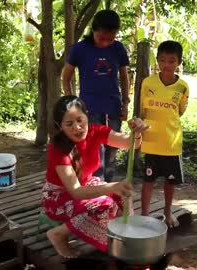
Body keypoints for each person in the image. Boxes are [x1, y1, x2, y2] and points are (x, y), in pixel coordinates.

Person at [42, 95, 148, 258]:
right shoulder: (57, 149)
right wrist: (113, 186)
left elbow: (129, 143)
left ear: (87, 116)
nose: (77, 128)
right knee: (105, 205)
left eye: (80, 120)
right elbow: (76, 192)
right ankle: (57, 234)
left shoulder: (95, 131)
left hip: (85, 185)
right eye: (69, 124)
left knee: (122, 197)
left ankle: (121, 239)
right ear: (60, 126)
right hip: (60, 197)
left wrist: (137, 132)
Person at [62, 9, 130, 182]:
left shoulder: (119, 49)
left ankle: (110, 180)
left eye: (111, 38)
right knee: (94, 146)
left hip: (113, 105)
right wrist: (71, 103)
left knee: (113, 145)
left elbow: (124, 76)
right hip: (88, 107)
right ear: (93, 30)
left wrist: (125, 103)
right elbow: (66, 76)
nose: (106, 43)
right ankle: (96, 182)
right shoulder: (79, 49)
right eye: (102, 38)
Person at [139, 40, 189, 228]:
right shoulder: (147, 83)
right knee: (148, 180)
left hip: (171, 144)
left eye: (171, 61)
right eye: (162, 60)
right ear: (157, 61)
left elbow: (180, 110)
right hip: (150, 142)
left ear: (179, 62)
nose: (166, 65)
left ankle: (167, 213)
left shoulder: (183, 87)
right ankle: (144, 215)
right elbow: (143, 111)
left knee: (170, 181)